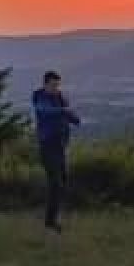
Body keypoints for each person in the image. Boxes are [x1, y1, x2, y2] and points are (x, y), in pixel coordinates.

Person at [31, 70, 81, 232]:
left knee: (62, 183)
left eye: (57, 85)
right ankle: (50, 222)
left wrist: (73, 117)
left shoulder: (59, 97)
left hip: (61, 146)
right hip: (47, 146)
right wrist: (64, 111)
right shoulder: (39, 98)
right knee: (56, 184)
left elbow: (68, 115)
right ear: (45, 84)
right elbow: (46, 111)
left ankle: (51, 218)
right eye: (53, 85)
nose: (56, 88)